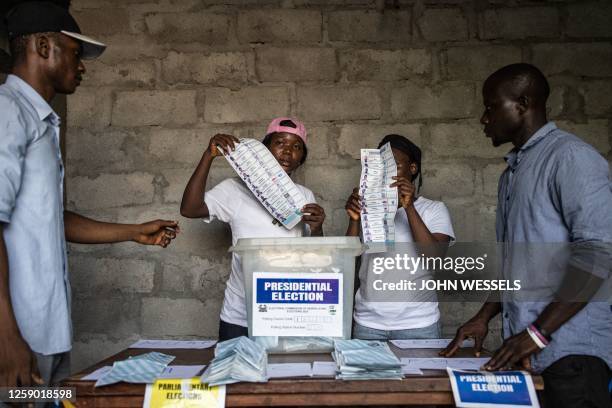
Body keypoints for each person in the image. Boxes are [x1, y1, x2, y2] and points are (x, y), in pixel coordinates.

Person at [0, 1, 179, 388]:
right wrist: (7, 336)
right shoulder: (7, 112)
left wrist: (132, 232)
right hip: (17, 338)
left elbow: (47, 219)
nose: (81, 67)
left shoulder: (40, 121)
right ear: (44, 47)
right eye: (76, 53)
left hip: (44, 332)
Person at [441, 63, 612, 408]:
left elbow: (598, 254)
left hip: (572, 354)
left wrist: (537, 333)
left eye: (491, 107)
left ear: (522, 103)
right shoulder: (513, 173)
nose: (483, 118)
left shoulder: (570, 158)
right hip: (528, 354)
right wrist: (484, 316)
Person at [180, 117, 325, 341]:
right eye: (280, 143)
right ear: (264, 150)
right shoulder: (234, 190)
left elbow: (315, 258)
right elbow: (190, 209)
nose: (287, 152)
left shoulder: (304, 196)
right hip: (240, 315)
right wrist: (208, 156)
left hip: (287, 314)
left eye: (297, 147)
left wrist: (317, 229)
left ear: (301, 159)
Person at [346, 134, 455, 340]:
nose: (386, 173)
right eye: (381, 167)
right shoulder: (368, 209)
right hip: (368, 323)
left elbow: (435, 260)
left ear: (412, 169)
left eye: (394, 166)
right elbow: (348, 263)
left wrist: (409, 208)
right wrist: (354, 220)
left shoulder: (434, 209)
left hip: (418, 323)